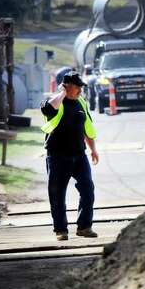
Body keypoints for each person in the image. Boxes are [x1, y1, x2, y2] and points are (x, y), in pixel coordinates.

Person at [40, 73, 99, 241]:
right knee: (58, 194)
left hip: (79, 155)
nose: (80, 90)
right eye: (76, 86)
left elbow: (87, 128)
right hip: (58, 156)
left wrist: (93, 149)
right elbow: (49, 109)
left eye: (81, 86)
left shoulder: (81, 103)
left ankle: (84, 227)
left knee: (88, 189)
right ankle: (61, 230)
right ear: (66, 86)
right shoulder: (54, 101)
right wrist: (63, 93)